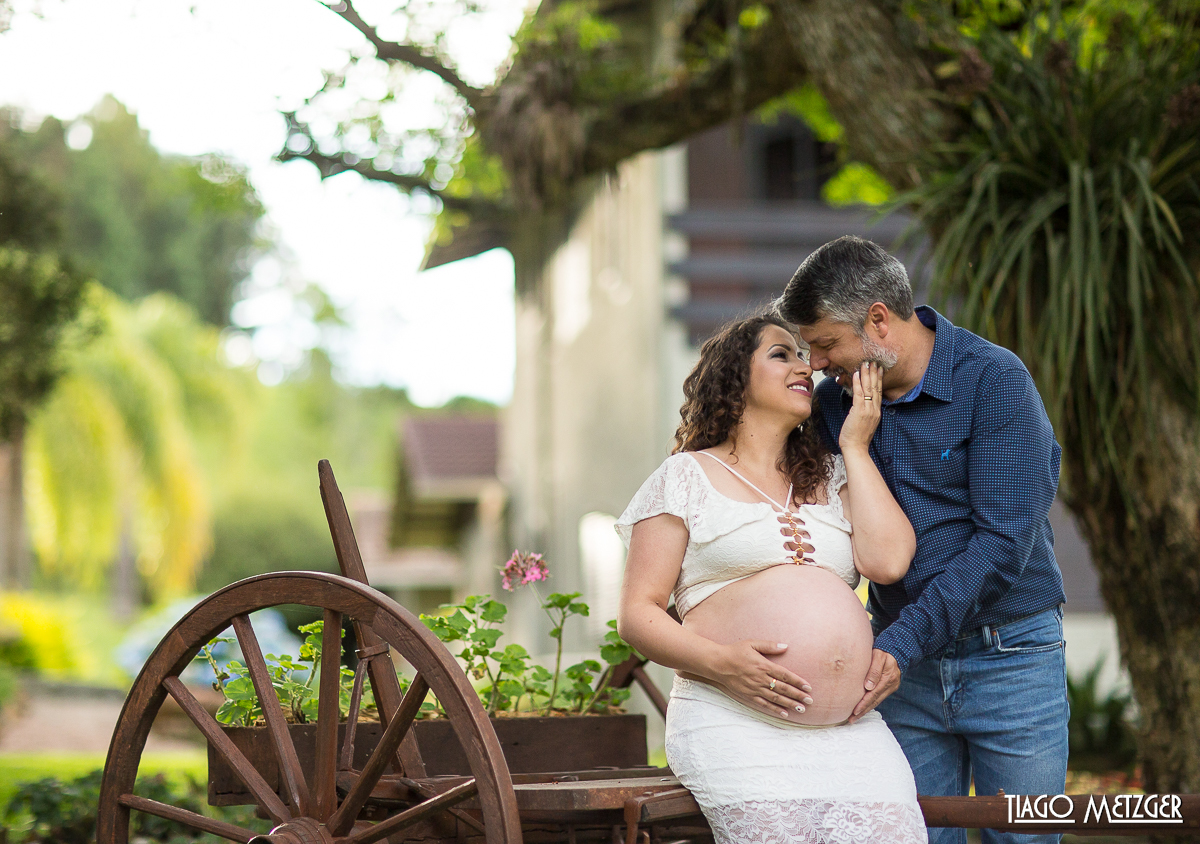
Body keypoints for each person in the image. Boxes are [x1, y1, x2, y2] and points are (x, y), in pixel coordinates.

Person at [778, 235, 1069, 844]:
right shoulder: (834, 407)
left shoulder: (993, 380)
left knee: (1024, 836)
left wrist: (900, 644)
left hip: (1009, 658)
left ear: (878, 321)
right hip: (901, 674)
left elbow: (1002, 544)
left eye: (827, 343)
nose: (819, 362)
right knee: (909, 835)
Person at [616, 313, 928, 844]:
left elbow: (890, 561)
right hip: (732, 720)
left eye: (804, 356)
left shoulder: (831, 474)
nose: (804, 366)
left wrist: (856, 446)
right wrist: (723, 663)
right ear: (734, 379)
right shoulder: (684, 477)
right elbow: (637, 614)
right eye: (781, 354)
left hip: (850, 730)